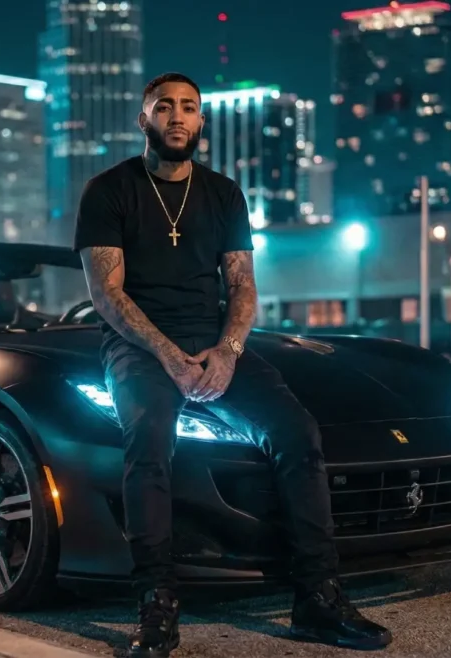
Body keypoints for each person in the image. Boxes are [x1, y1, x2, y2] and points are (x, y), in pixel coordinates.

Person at [72, 72, 393, 657]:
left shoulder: (223, 194)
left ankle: (317, 598)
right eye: (164, 107)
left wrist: (227, 352)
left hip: (215, 341)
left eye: (188, 107)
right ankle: (157, 601)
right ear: (143, 120)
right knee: (149, 438)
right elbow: (107, 294)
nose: (176, 116)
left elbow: (243, 285)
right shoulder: (108, 190)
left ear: (201, 121)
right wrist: (170, 357)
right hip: (138, 348)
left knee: (297, 432)